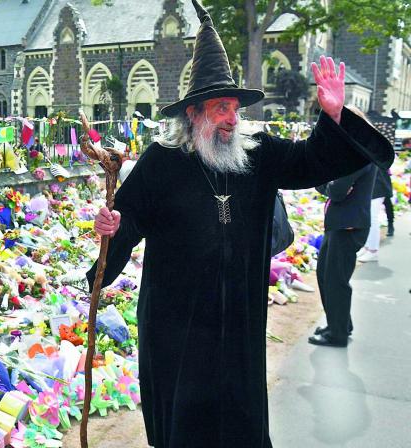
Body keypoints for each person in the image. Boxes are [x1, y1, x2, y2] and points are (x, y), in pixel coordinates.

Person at [86, 1, 394, 446]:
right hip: (179, 324)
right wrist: (111, 229)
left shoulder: (259, 153)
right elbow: (128, 218)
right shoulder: (162, 161)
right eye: (221, 108)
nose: (232, 118)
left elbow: (313, 161)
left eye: (234, 107)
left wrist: (332, 116)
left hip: (238, 322)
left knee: (239, 422)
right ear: (193, 113)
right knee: (185, 425)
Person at [312, 163, 376, 346]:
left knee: (335, 280)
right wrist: (329, 184)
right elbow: (331, 187)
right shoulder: (354, 155)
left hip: (347, 225)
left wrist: (328, 184)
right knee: (325, 275)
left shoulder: (358, 156)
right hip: (340, 223)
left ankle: (337, 333)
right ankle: (339, 324)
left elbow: (337, 191)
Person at [358, 167, 393, 262]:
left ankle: (373, 250)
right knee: (368, 218)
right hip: (373, 185)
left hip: (377, 186)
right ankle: (367, 247)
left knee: (372, 219)